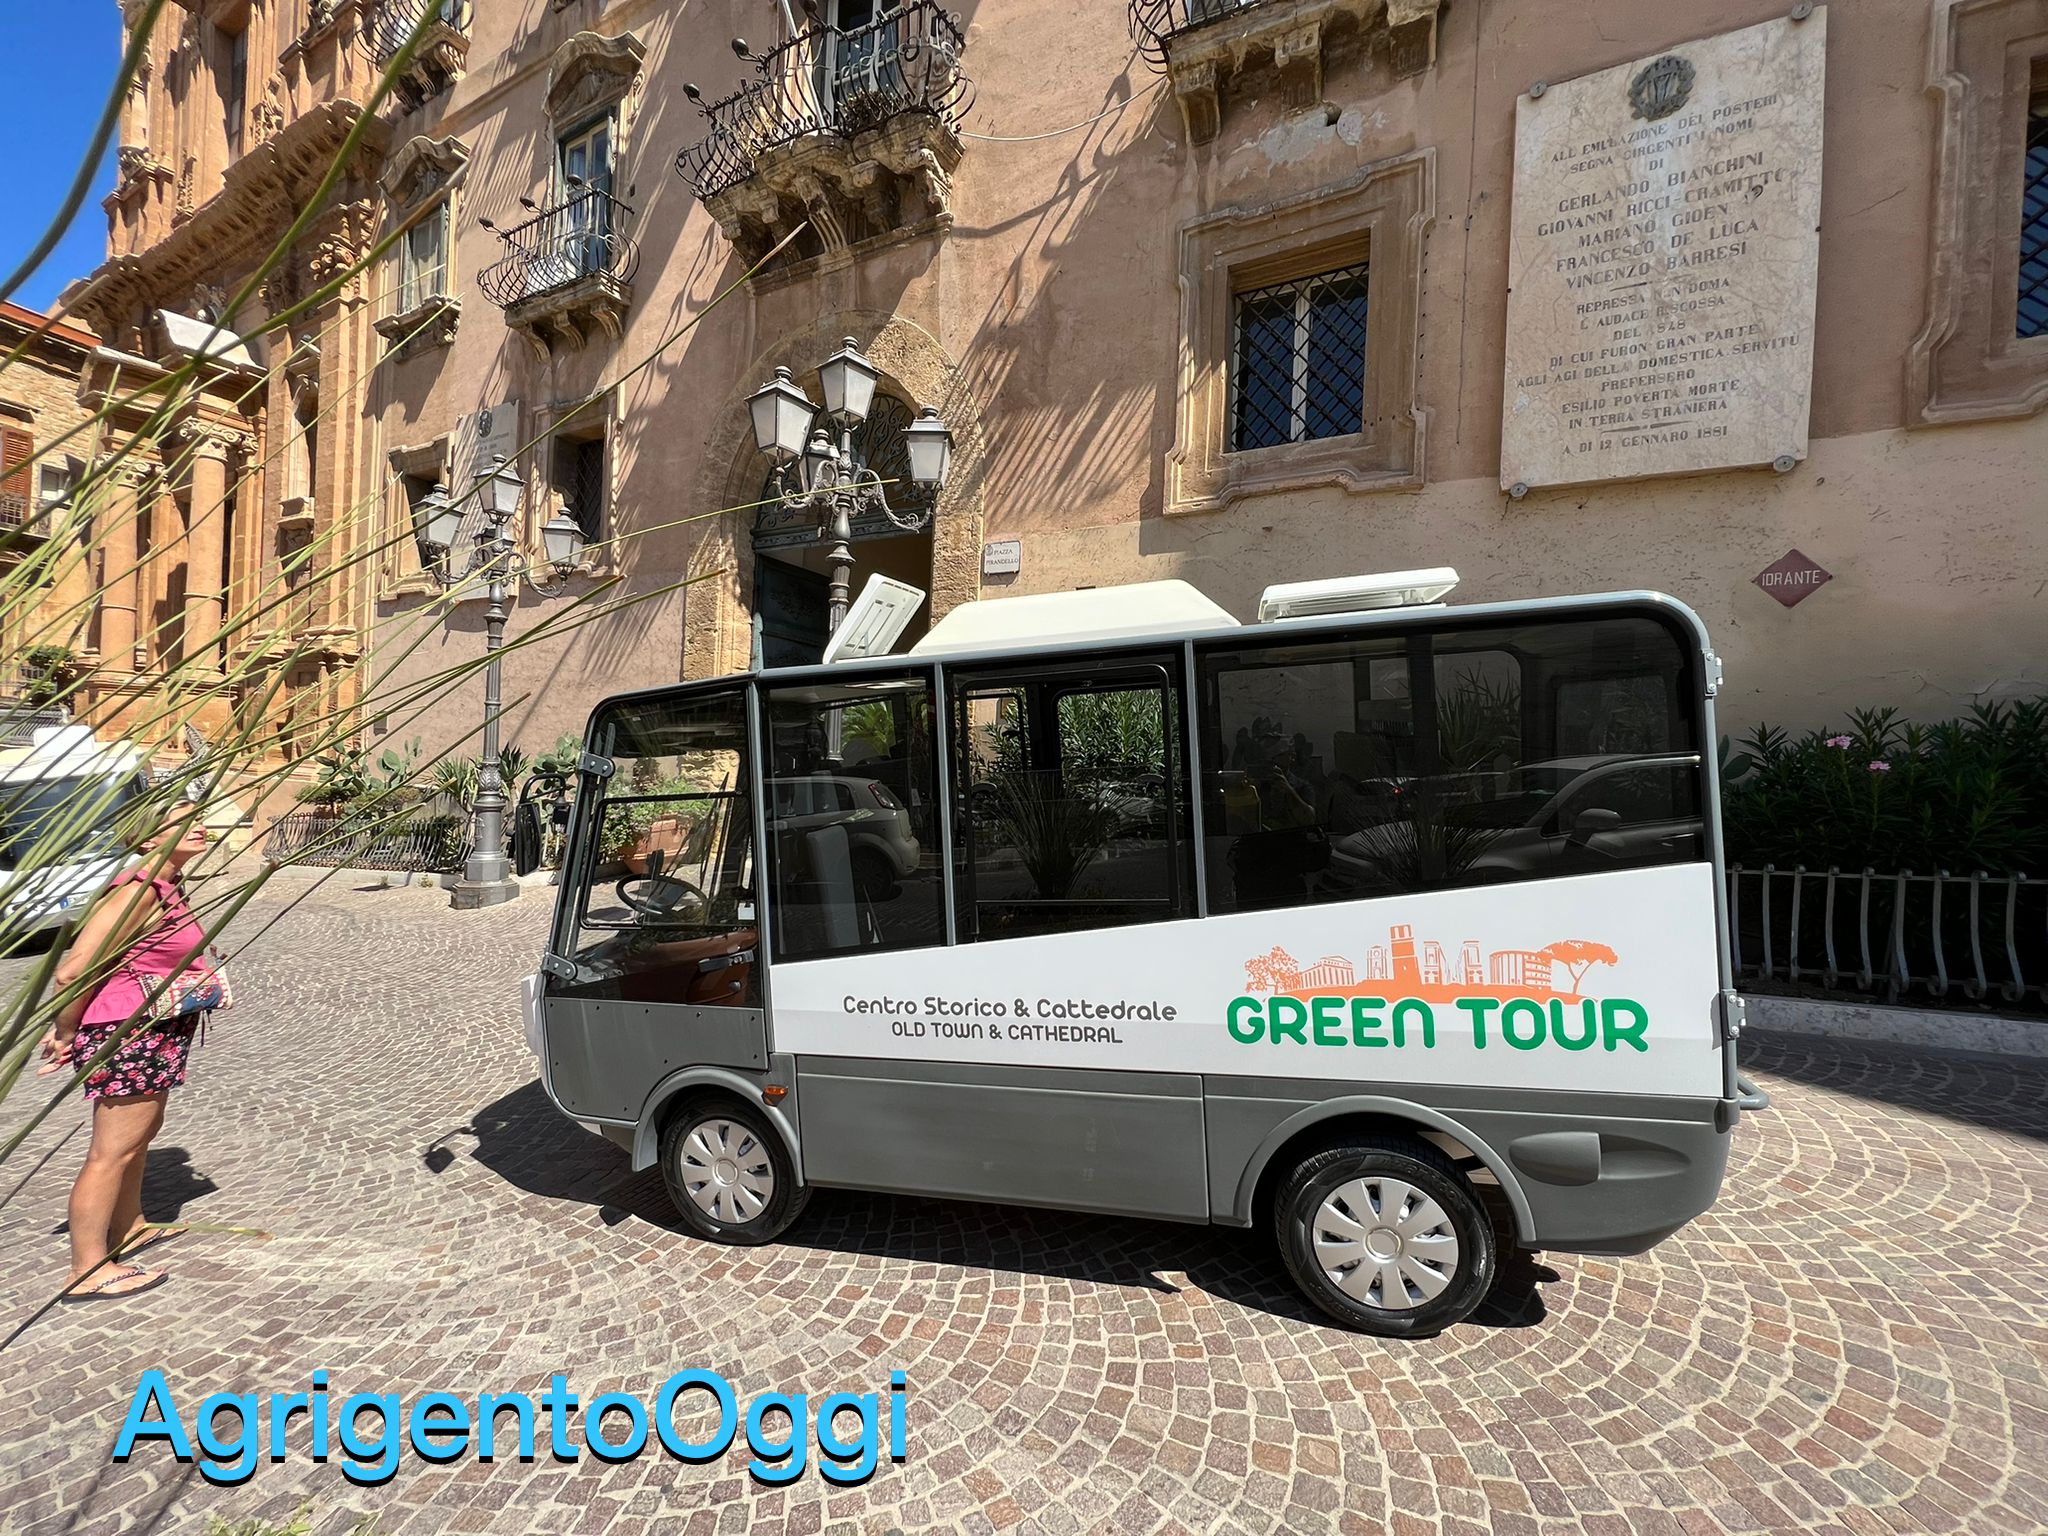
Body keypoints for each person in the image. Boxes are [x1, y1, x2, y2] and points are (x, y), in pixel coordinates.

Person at [37, 800, 213, 1301]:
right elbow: (74, 971)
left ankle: (131, 1226)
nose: (198, 825)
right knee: (110, 1153)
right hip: (128, 1033)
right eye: (181, 820)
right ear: (147, 838)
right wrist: (65, 1031)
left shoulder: (167, 885)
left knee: (138, 1138)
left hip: (154, 1031)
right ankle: (87, 1268)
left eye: (198, 816)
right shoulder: (138, 890)